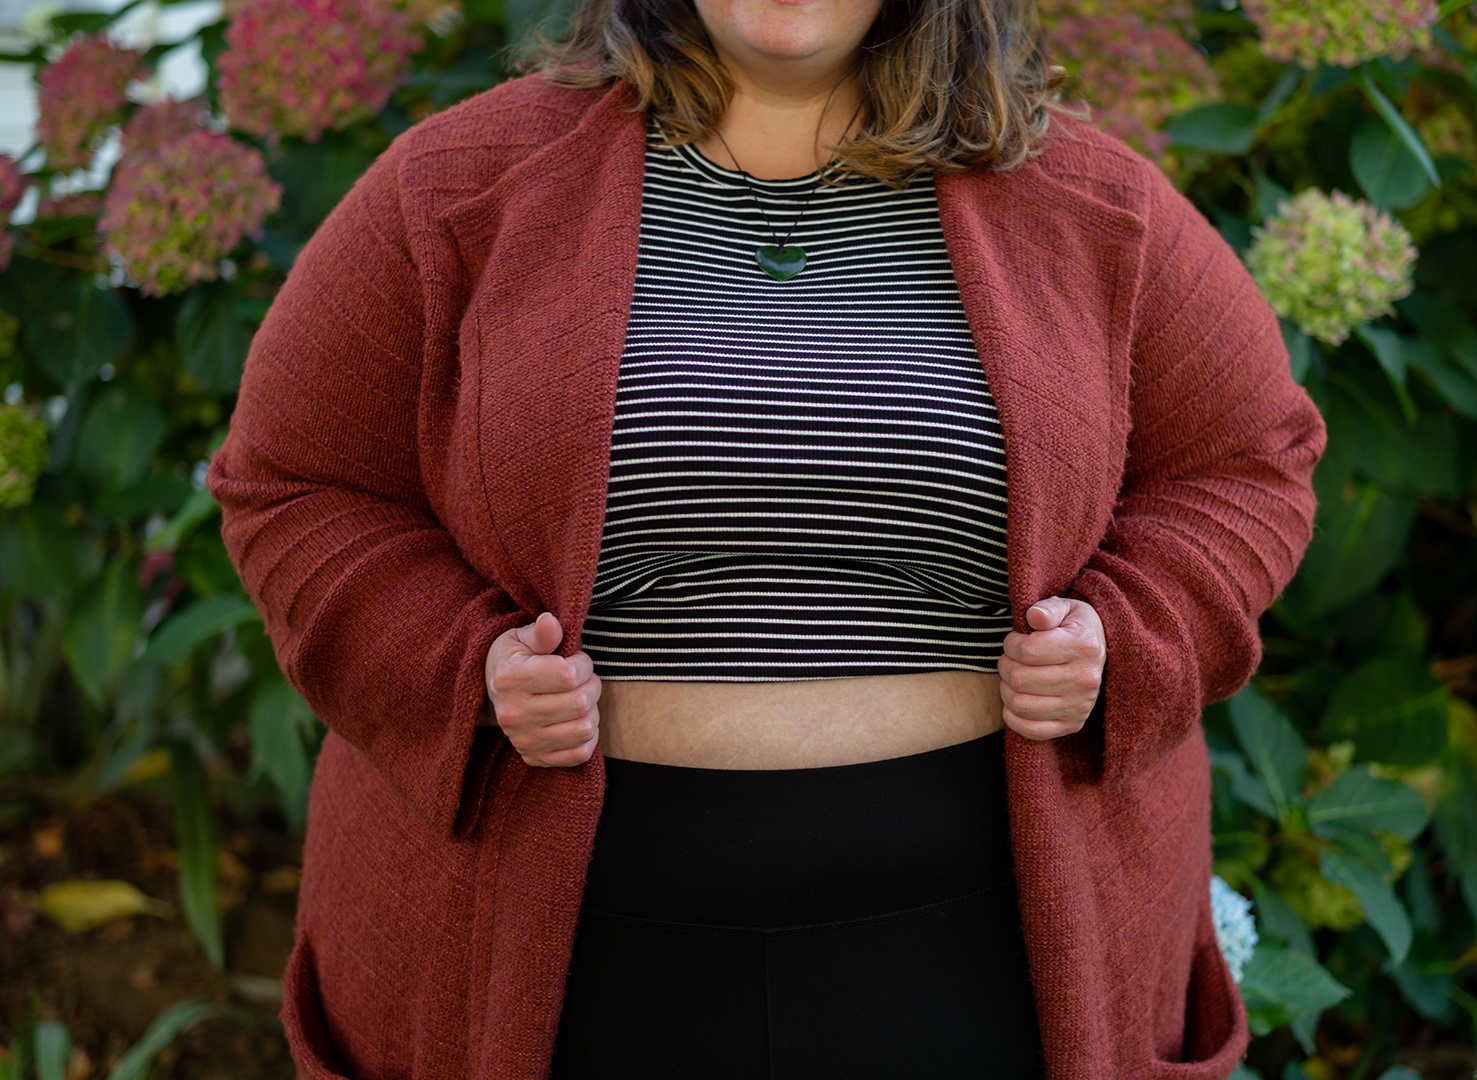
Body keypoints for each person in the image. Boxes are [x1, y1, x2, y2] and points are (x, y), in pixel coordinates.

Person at [207, 0, 1326, 1069]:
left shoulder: (1090, 204)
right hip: (565, 954)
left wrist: (1120, 640)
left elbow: (1247, 461)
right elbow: (294, 479)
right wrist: (464, 666)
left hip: (980, 956)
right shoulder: (458, 187)